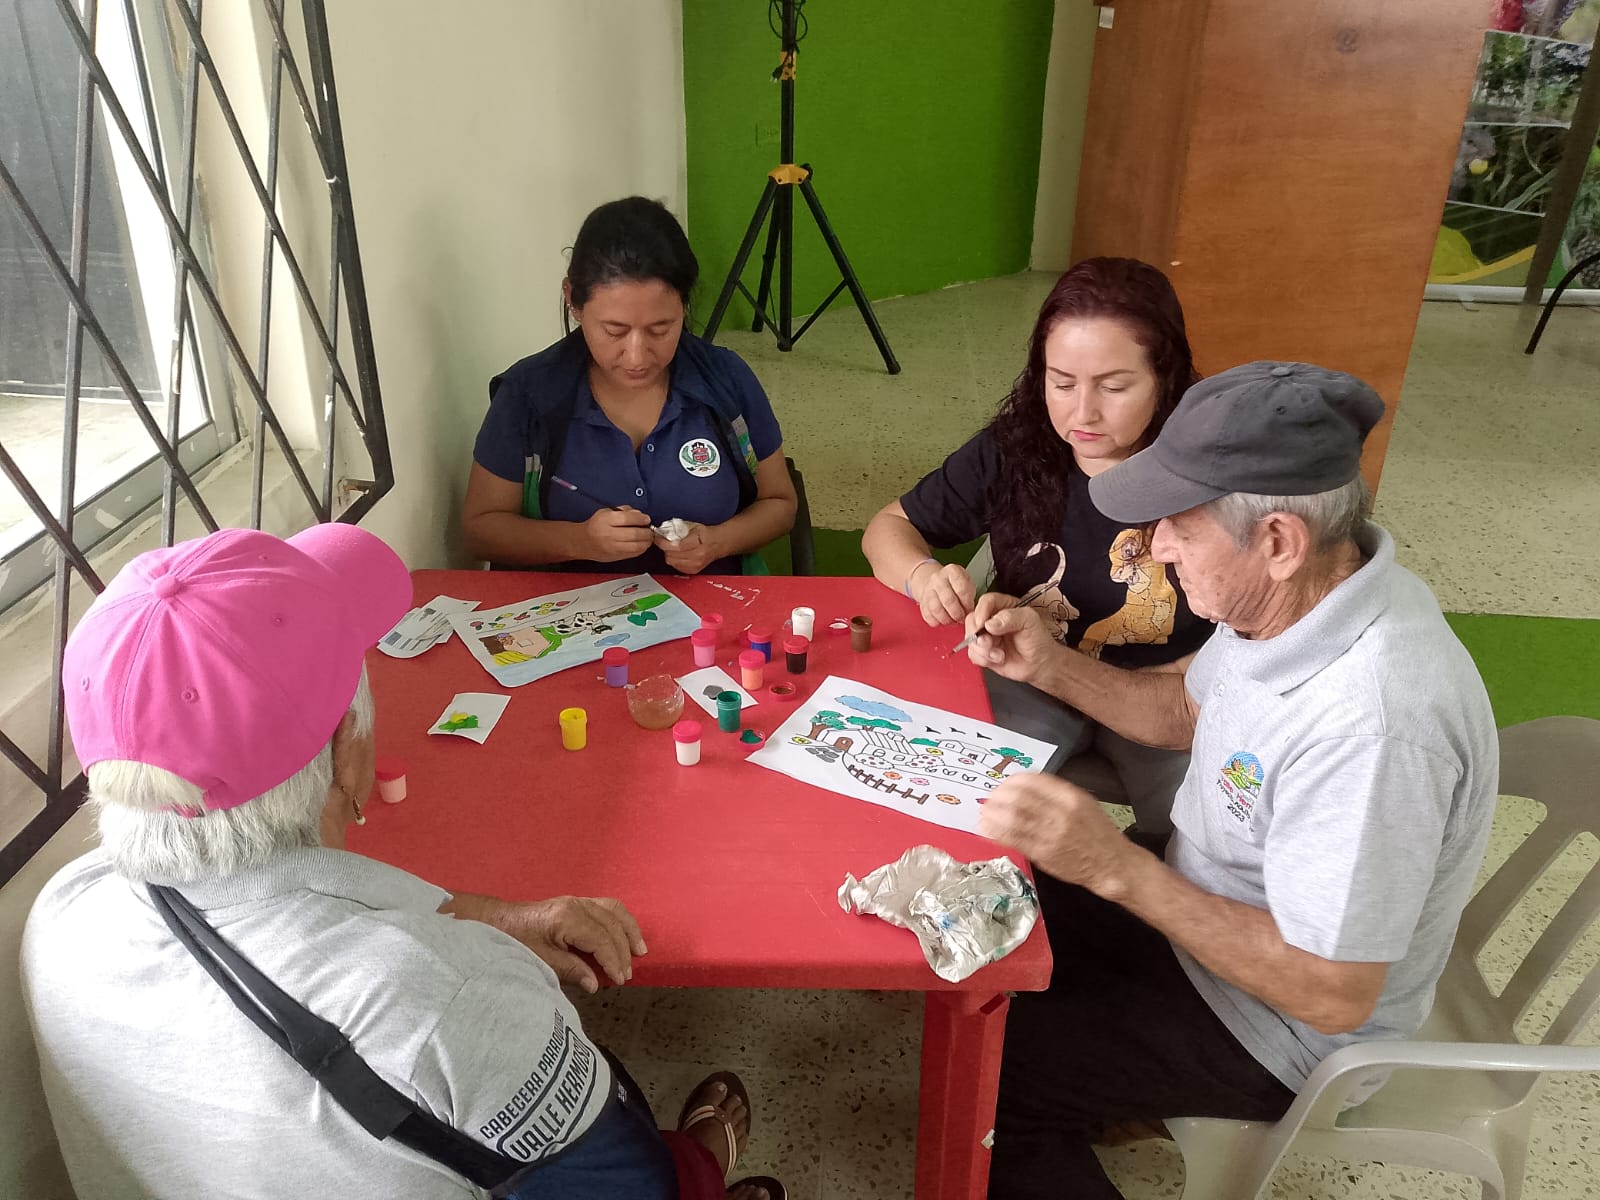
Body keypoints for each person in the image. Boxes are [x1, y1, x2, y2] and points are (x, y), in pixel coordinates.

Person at [20, 523, 785, 1200]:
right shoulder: (455, 1008)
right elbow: (628, 1190)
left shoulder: (64, 914)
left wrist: (498, 917)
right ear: (347, 754)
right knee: (658, 1162)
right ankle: (704, 1164)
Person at [960, 362, 1500, 1199]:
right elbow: (1187, 708)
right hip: (1203, 903)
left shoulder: (1374, 726)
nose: (1155, 546)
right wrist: (1050, 666)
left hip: (1276, 1028)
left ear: (1278, 541)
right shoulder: (1305, 596)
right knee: (990, 900)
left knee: (990, 1078)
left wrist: (1114, 867)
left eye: (1180, 524)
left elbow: (1332, 992)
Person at [861, 258, 1211, 835]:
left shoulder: (1210, 470)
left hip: (1162, 695)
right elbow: (887, 529)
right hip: (1027, 674)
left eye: (1115, 387)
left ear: (1165, 377)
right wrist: (924, 577)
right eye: (1062, 383)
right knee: (957, 809)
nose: (1083, 413)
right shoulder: (1018, 446)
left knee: (1201, 840)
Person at [464, 196, 796, 576]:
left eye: (660, 329)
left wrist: (717, 542)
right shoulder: (529, 395)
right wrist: (578, 541)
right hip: (573, 607)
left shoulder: (725, 380)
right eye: (614, 331)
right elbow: (481, 531)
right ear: (573, 300)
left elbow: (780, 503)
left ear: (684, 306)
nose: (637, 357)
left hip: (715, 602)